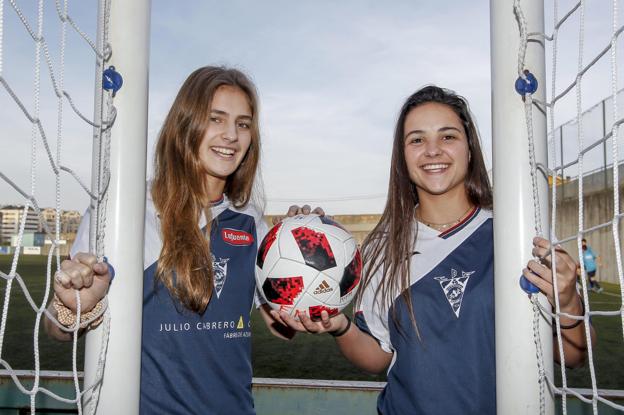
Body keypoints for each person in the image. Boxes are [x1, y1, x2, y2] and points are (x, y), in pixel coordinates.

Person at [275, 86, 595, 414]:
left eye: (447, 137)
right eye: (416, 140)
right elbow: (377, 357)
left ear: (469, 149)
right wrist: (339, 326)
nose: (432, 151)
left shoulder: (518, 231)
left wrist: (568, 300)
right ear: (402, 156)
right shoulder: (383, 246)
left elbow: (574, 355)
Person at [44, 66, 299, 414]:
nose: (231, 135)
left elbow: (286, 324)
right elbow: (56, 330)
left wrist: (303, 251)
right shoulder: (124, 211)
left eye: (243, 123)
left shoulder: (252, 220)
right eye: (215, 119)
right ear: (185, 124)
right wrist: (75, 307)